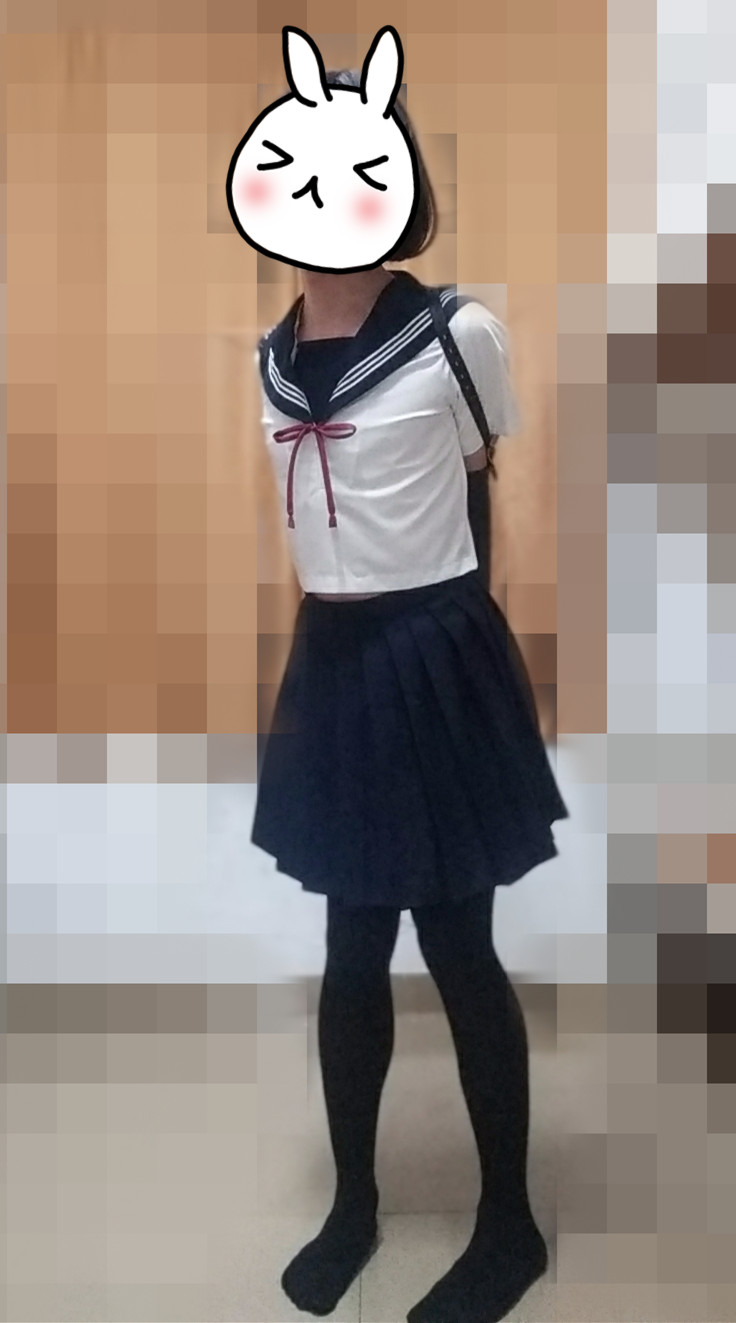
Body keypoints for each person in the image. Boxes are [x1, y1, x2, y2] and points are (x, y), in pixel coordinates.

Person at [235, 27, 569, 1323]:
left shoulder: (457, 332)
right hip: (331, 660)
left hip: (434, 649)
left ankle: (508, 1226)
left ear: (397, 185)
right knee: (350, 941)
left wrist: (459, 640)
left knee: (460, 945)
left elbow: (484, 485)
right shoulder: (267, 359)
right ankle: (355, 1206)